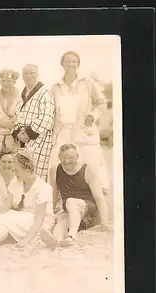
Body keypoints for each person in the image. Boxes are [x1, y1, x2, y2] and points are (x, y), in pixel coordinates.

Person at [0, 149, 53, 252]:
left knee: (7, 221)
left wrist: (26, 240)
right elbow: (6, 206)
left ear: (27, 171)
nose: (14, 174)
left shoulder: (43, 187)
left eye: (16, 171)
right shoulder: (18, 182)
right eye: (13, 171)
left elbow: (39, 218)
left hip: (37, 220)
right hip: (23, 217)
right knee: (2, 218)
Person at [50, 51, 109, 193]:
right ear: (62, 64)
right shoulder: (56, 87)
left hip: (83, 131)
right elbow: (52, 111)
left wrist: (93, 116)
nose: (71, 64)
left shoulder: (87, 83)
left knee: (89, 163)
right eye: (68, 61)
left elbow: (101, 103)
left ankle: (95, 198)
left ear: (78, 64)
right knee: (61, 164)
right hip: (63, 132)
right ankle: (64, 199)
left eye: (74, 61)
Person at [39, 144, 110, 249]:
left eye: (71, 158)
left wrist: (104, 223)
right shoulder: (54, 170)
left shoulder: (87, 170)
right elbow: (53, 194)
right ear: (59, 157)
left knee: (71, 202)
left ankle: (71, 237)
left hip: (88, 212)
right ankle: (56, 240)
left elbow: (99, 199)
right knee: (62, 222)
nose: (67, 161)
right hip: (70, 212)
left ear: (77, 156)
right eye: (63, 158)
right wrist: (51, 214)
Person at [11, 64, 56, 180]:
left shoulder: (45, 93)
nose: (29, 76)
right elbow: (15, 118)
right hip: (22, 142)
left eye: (32, 73)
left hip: (39, 140)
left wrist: (27, 133)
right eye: (26, 73)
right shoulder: (21, 96)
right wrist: (17, 133)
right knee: (22, 175)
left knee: (37, 176)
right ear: (22, 76)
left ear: (38, 75)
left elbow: (47, 118)